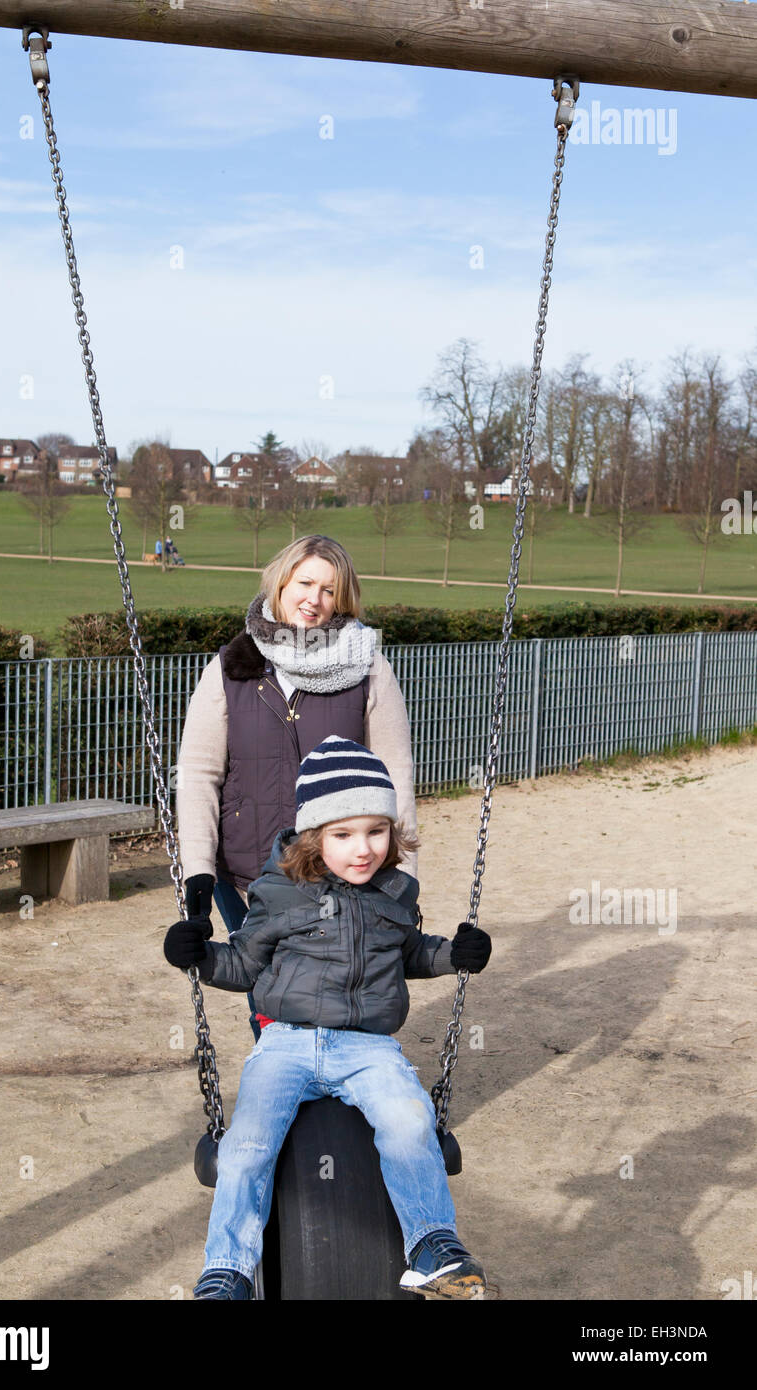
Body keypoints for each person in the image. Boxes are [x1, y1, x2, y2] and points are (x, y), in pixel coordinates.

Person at [164, 736, 492, 1301]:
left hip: (369, 1047)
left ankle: (432, 1245)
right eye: (343, 835)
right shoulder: (279, 894)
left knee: (412, 1124)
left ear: (392, 832)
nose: (362, 849)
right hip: (286, 1043)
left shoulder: (394, 893)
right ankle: (228, 1271)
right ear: (314, 838)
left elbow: (409, 953)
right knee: (246, 1147)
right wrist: (196, 955)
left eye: (376, 831)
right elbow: (242, 963)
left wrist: (452, 955)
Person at [175, 535, 417, 1039]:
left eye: (329, 590)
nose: (314, 599)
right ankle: (283, 1087)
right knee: (266, 988)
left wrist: (405, 873)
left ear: (342, 598)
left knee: (341, 980)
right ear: (281, 583)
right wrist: (198, 870)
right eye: (305, 582)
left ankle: (338, 1092)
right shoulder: (232, 667)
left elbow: (395, 775)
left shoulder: (366, 666)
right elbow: (200, 774)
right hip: (246, 869)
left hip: (342, 865)